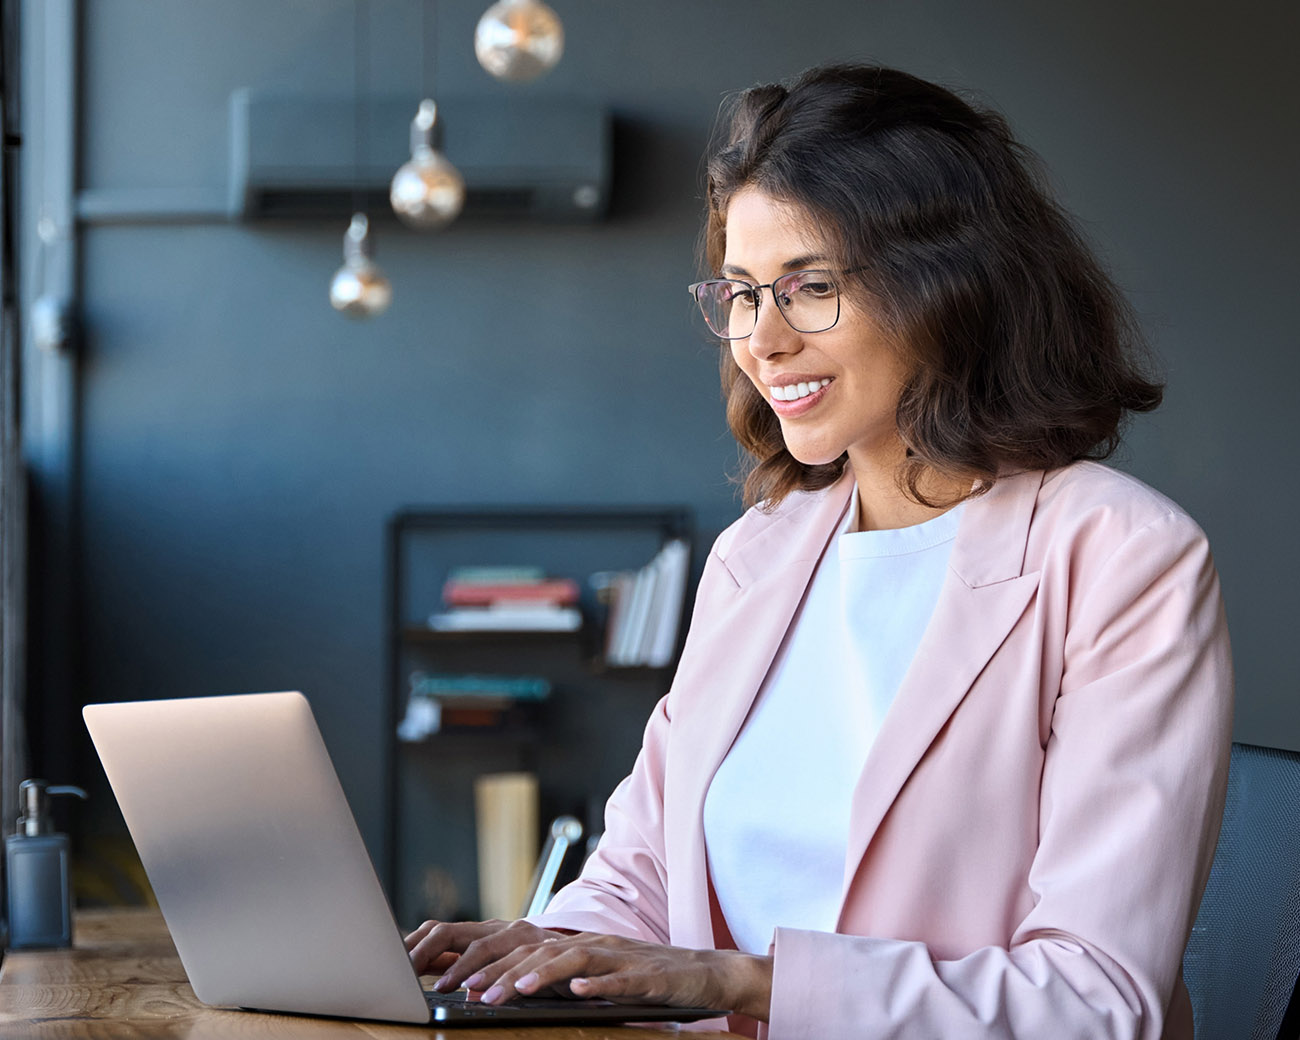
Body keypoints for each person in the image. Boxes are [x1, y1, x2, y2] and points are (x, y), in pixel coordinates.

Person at [405, 64, 1233, 1039]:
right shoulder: (757, 554)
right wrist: (529, 961)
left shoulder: (1123, 557)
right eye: (745, 292)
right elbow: (639, 873)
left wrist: (741, 982)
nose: (762, 338)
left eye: (810, 286)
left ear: (947, 286)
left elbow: (1095, 1002)